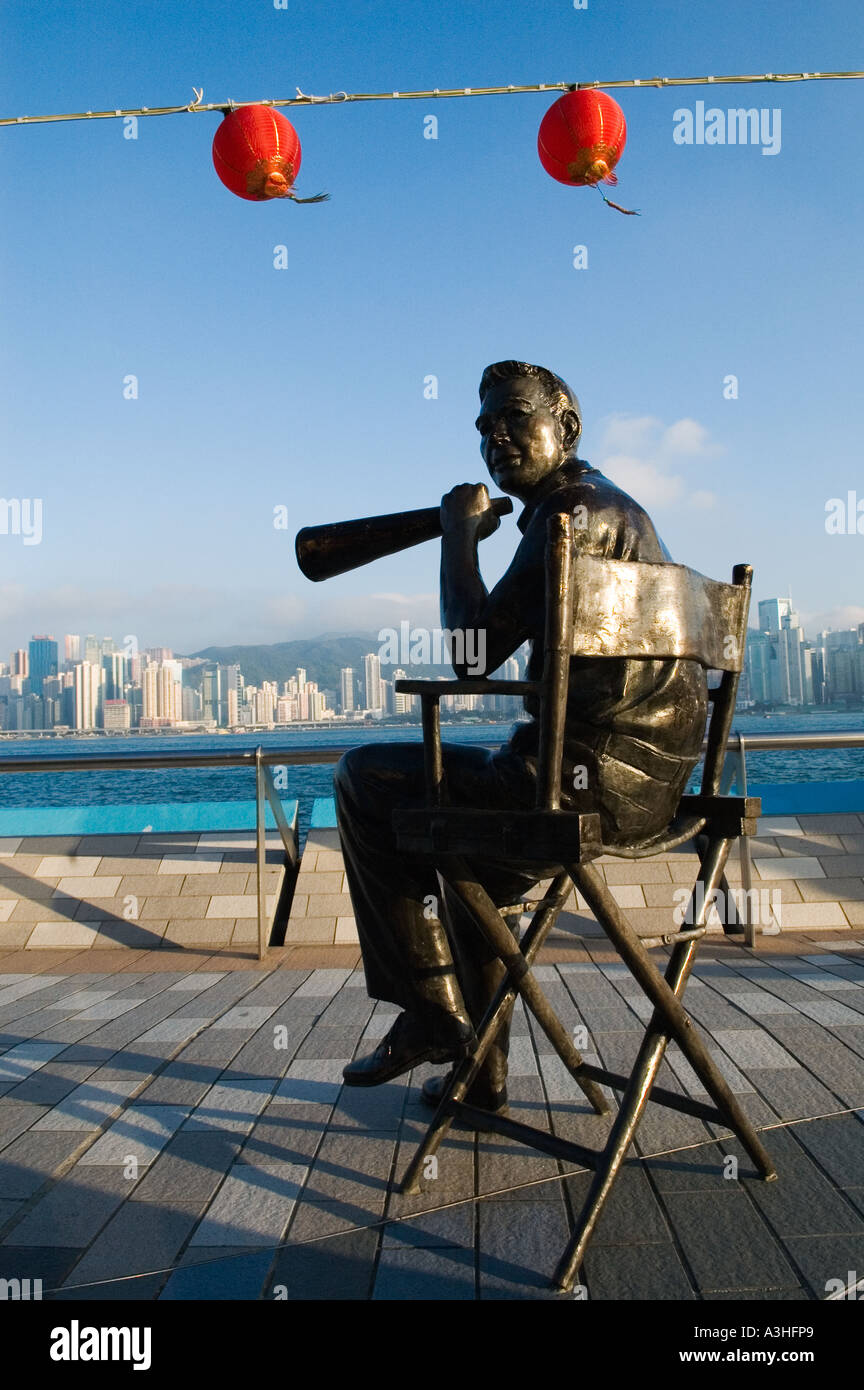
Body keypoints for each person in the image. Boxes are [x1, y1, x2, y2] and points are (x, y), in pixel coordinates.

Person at [334, 361, 707, 1113]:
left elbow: (472, 659)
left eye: (514, 418)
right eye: (483, 429)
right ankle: (481, 1077)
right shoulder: (613, 510)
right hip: (645, 794)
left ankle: (433, 1011)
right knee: (470, 876)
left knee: (362, 776)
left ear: (566, 427)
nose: (495, 437)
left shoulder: (571, 512)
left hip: (577, 789)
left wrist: (456, 537)